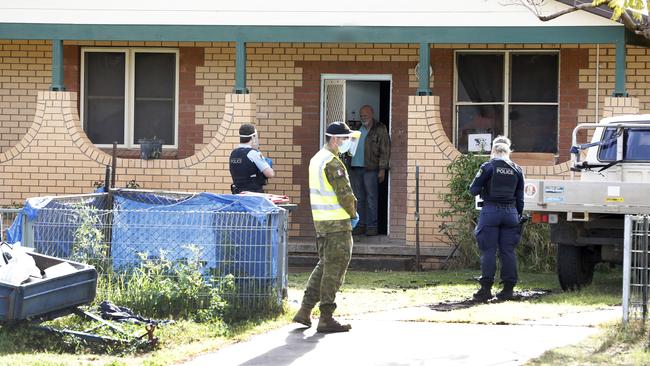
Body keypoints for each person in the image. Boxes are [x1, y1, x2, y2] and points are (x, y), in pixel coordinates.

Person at [293, 121, 358, 333]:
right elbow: (345, 194)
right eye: (345, 139)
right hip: (337, 224)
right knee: (334, 270)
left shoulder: (316, 159)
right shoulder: (332, 162)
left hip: (321, 223)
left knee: (324, 266)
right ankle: (326, 317)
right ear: (335, 139)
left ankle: (305, 310)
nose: (348, 142)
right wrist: (354, 213)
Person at [469, 136, 524, 302]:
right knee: (508, 251)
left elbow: (473, 190)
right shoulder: (517, 169)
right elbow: (520, 198)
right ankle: (508, 290)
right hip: (511, 214)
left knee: (489, 251)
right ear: (509, 151)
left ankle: (486, 290)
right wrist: (518, 215)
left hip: (491, 212)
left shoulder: (488, 166)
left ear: (493, 150)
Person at [349, 105, 390, 236]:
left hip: (370, 169)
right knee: (358, 198)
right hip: (356, 168)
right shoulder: (356, 129)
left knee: (371, 198)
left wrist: (382, 169)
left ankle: (372, 226)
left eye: (365, 115)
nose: (363, 118)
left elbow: (385, 150)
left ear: (372, 114)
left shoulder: (380, 128)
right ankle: (360, 225)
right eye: (361, 116)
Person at [229, 124, 274, 194]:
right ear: (253, 137)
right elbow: (270, 174)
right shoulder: (253, 153)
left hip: (237, 194)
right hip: (252, 195)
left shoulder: (233, 153)